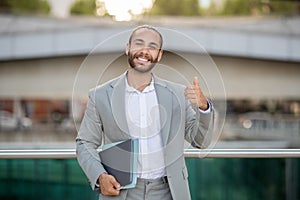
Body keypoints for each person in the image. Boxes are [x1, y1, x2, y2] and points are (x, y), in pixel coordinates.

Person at [76, 25, 216, 200]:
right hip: (122, 191)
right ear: (128, 48)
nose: (144, 51)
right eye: (139, 44)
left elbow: (200, 142)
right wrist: (100, 176)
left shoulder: (177, 95)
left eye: (152, 46)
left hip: (169, 192)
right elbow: (85, 143)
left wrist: (203, 107)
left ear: (159, 54)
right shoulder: (101, 95)